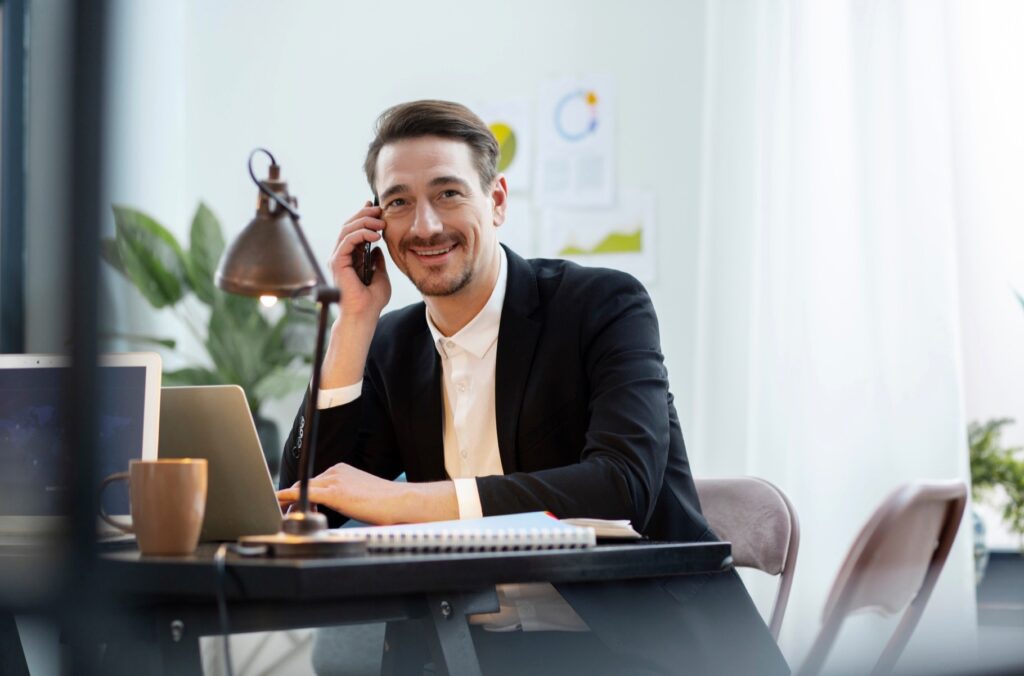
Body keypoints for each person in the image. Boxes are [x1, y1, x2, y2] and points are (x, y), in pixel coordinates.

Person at [277, 100, 787, 675]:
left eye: (448, 193)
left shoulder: (601, 305)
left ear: (496, 202)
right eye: (399, 202)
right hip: (462, 653)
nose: (425, 226)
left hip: (636, 651)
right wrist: (353, 324)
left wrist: (405, 503)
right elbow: (306, 499)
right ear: (377, 223)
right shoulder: (391, 345)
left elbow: (621, 486)